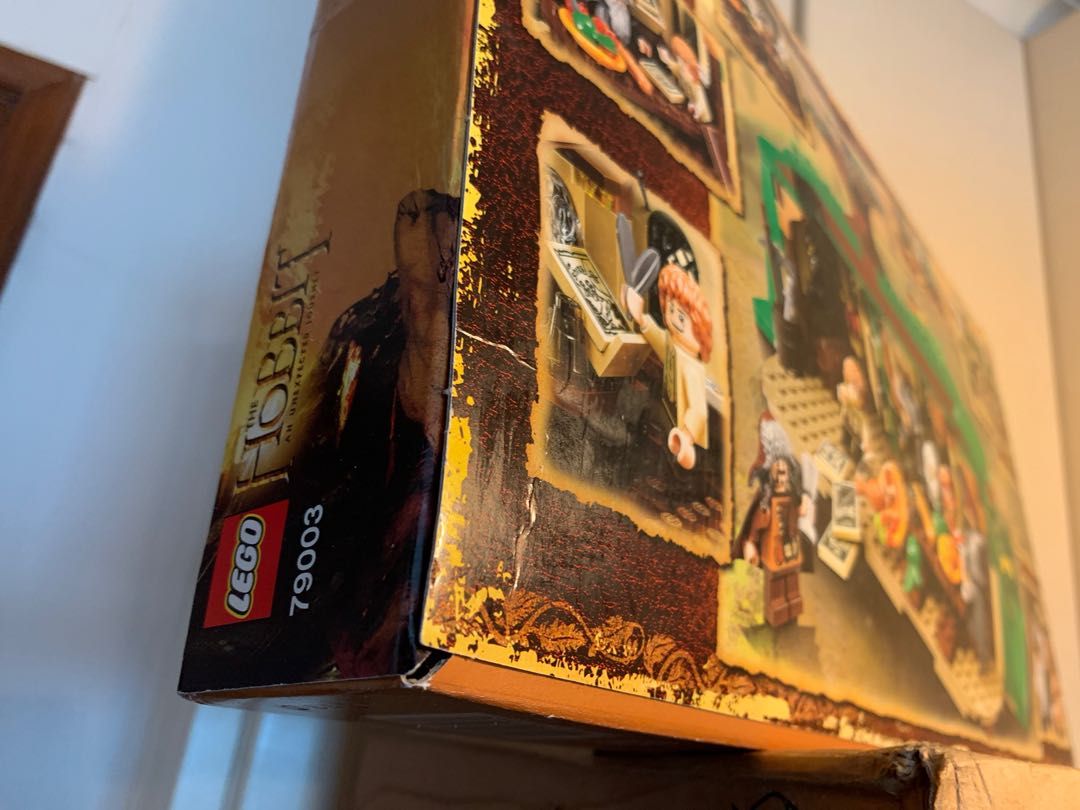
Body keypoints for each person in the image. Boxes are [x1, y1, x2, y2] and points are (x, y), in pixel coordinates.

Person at [624, 264, 712, 469]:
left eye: (681, 317)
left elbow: (698, 411)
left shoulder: (692, 369)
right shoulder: (676, 348)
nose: (673, 318)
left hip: (678, 431)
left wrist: (686, 437)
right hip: (666, 413)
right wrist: (641, 319)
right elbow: (662, 344)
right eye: (671, 309)